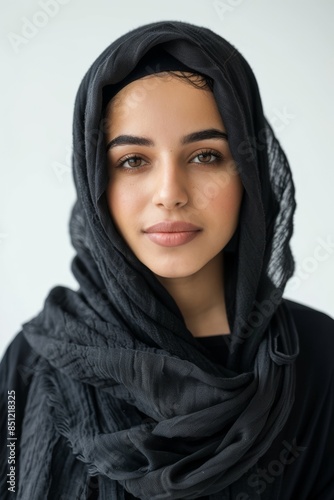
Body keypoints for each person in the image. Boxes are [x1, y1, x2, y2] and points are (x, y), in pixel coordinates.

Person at [0, 20, 333, 500]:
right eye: (133, 161)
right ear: (96, 184)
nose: (170, 194)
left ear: (250, 176)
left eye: (205, 156)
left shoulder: (319, 360)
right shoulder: (31, 363)